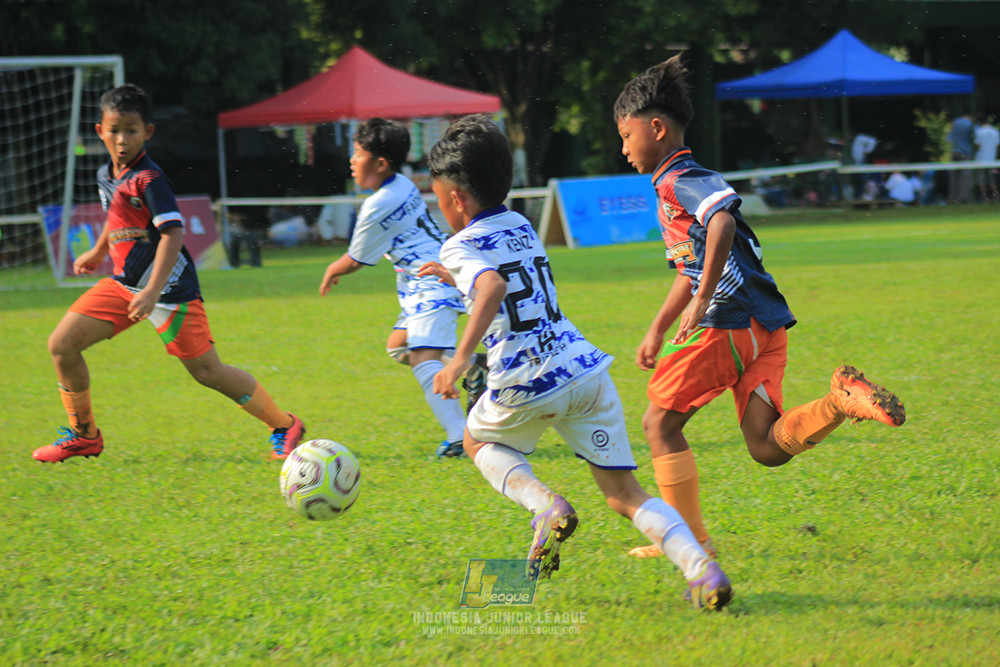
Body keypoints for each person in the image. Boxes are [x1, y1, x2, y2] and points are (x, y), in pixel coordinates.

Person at [419, 115, 732, 611]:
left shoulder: (458, 244)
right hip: (583, 369)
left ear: (455, 198)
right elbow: (502, 274)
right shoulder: (521, 223)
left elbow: (494, 285)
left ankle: (545, 506)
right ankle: (702, 570)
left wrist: (458, 359)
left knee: (475, 439)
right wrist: (457, 277)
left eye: (437, 198)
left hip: (525, 379)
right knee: (624, 493)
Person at [612, 56, 906, 560]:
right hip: (764, 324)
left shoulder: (679, 177)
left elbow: (722, 222)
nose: (623, 149)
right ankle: (840, 401)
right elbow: (690, 267)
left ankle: (689, 540)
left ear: (656, 128)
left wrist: (704, 299)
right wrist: (658, 328)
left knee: (658, 425)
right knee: (766, 446)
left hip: (727, 320)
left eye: (625, 135)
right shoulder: (672, 187)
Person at [34, 84, 305, 463]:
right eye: (114, 130)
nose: (122, 139)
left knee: (208, 371)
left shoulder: (150, 180)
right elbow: (115, 217)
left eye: (131, 130)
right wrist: (97, 252)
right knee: (61, 345)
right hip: (124, 285)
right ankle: (84, 435)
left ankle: (284, 424)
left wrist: (152, 291)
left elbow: (172, 234)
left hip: (171, 290)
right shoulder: (106, 173)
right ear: (100, 131)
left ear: (148, 132)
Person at [318, 118, 482, 459]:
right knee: (399, 346)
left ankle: (458, 437)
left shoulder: (377, 204)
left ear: (380, 163)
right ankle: (474, 369)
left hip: (431, 280)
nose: (351, 159)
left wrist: (333, 270)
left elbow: (357, 258)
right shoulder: (403, 185)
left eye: (358, 153)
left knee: (423, 356)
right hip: (429, 279)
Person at [947, 111, 975, 204]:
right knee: (965, 177)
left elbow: (949, 138)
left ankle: (952, 197)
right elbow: (974, 139)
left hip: (955, 151)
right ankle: (962, 198)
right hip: (966, 153)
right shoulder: (970, 124)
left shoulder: (955, 122)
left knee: (954, 176)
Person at [973, 114, 999, 202]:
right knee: (992, 179)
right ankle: (995, 197)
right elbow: (997, 146)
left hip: (980, 160)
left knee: (981, 180)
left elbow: (977, 146)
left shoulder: (979, 132)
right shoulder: (995, 132)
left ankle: (985, 198)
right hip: (991, 159)